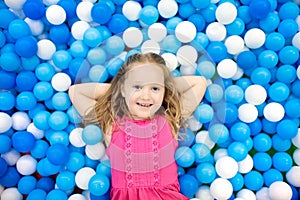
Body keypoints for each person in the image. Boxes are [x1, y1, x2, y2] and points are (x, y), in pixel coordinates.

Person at [69, 52, 207, 200]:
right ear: (122, 89)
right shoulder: (112, 124)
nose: (145, 96)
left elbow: (199, 83)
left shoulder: (169, 119)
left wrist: (164, 83)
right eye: (137, 86)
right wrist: (118, 88)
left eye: (155, 88)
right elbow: (76, 92)